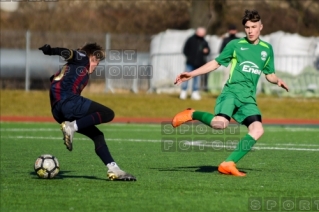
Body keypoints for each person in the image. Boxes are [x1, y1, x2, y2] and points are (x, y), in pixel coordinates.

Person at [171, 10, 289, 176]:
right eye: (247, 27)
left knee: (257, 129)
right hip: (231, 93)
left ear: (261, 27)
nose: (250, 30)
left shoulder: (267, 49)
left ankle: (228, 163)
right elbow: (215, 63)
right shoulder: (235, 45)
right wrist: (191, 74)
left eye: (254, 26)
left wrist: (277, 80)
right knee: (220, 124)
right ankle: (192, 113)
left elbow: (269, 73)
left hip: (248, 99)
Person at [39, 43, 136, 181]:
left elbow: (54, 80)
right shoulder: (83, 57)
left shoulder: (71, 68)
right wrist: (51, 51)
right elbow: (69, 52)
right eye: (96, 60)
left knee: (97, 136)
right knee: (108, 114)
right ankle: (71, 127)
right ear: (91, 55)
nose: (96, 65)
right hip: (69, 103)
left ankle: (114, 169)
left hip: (57, 112)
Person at [180, 27, 210, 100]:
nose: (202, 34)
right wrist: (190, 57)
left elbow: (208, 51)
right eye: (201, 32)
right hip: (190, 63)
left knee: (197, 79)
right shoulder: (191, 39)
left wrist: (206, 51)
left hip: (199, 64)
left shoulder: (204, 42)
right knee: (186, 77)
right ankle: (183, 91)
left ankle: (195, 92)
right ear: (197, 32)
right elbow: (185, 50)